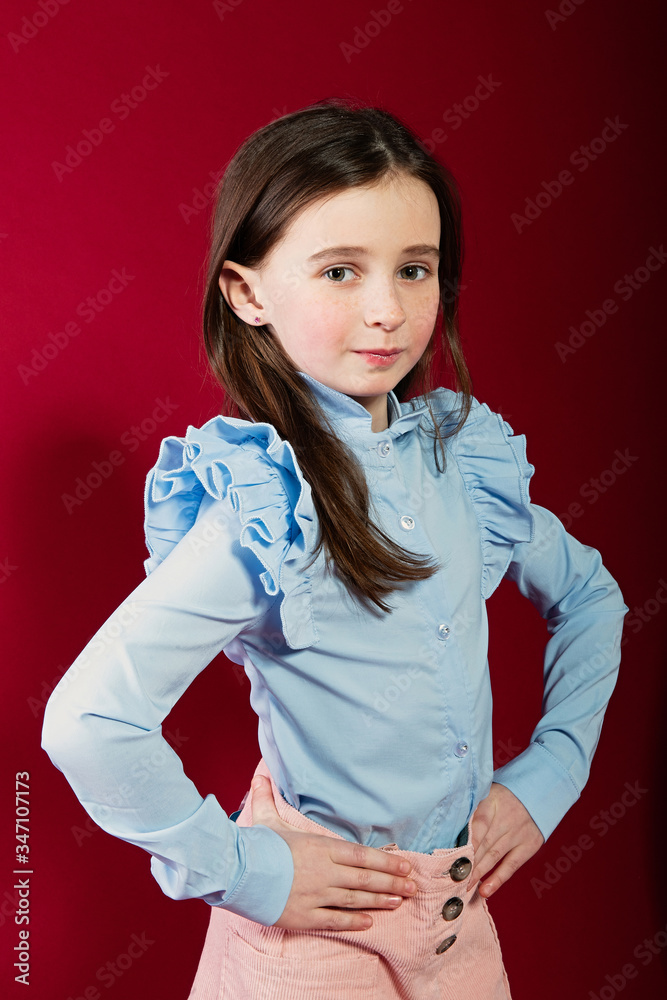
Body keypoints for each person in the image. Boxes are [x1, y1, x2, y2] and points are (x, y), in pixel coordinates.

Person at [41, 97, 629, 1000]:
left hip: (455, 925)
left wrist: (552, 769)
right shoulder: (264, 509)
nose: (387, 310)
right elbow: (88, 720)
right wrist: (248, 869)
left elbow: (590, 598)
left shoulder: (458, 462)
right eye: (340, 272)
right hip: (313, 952)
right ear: (247, 294)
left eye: (415, 269)